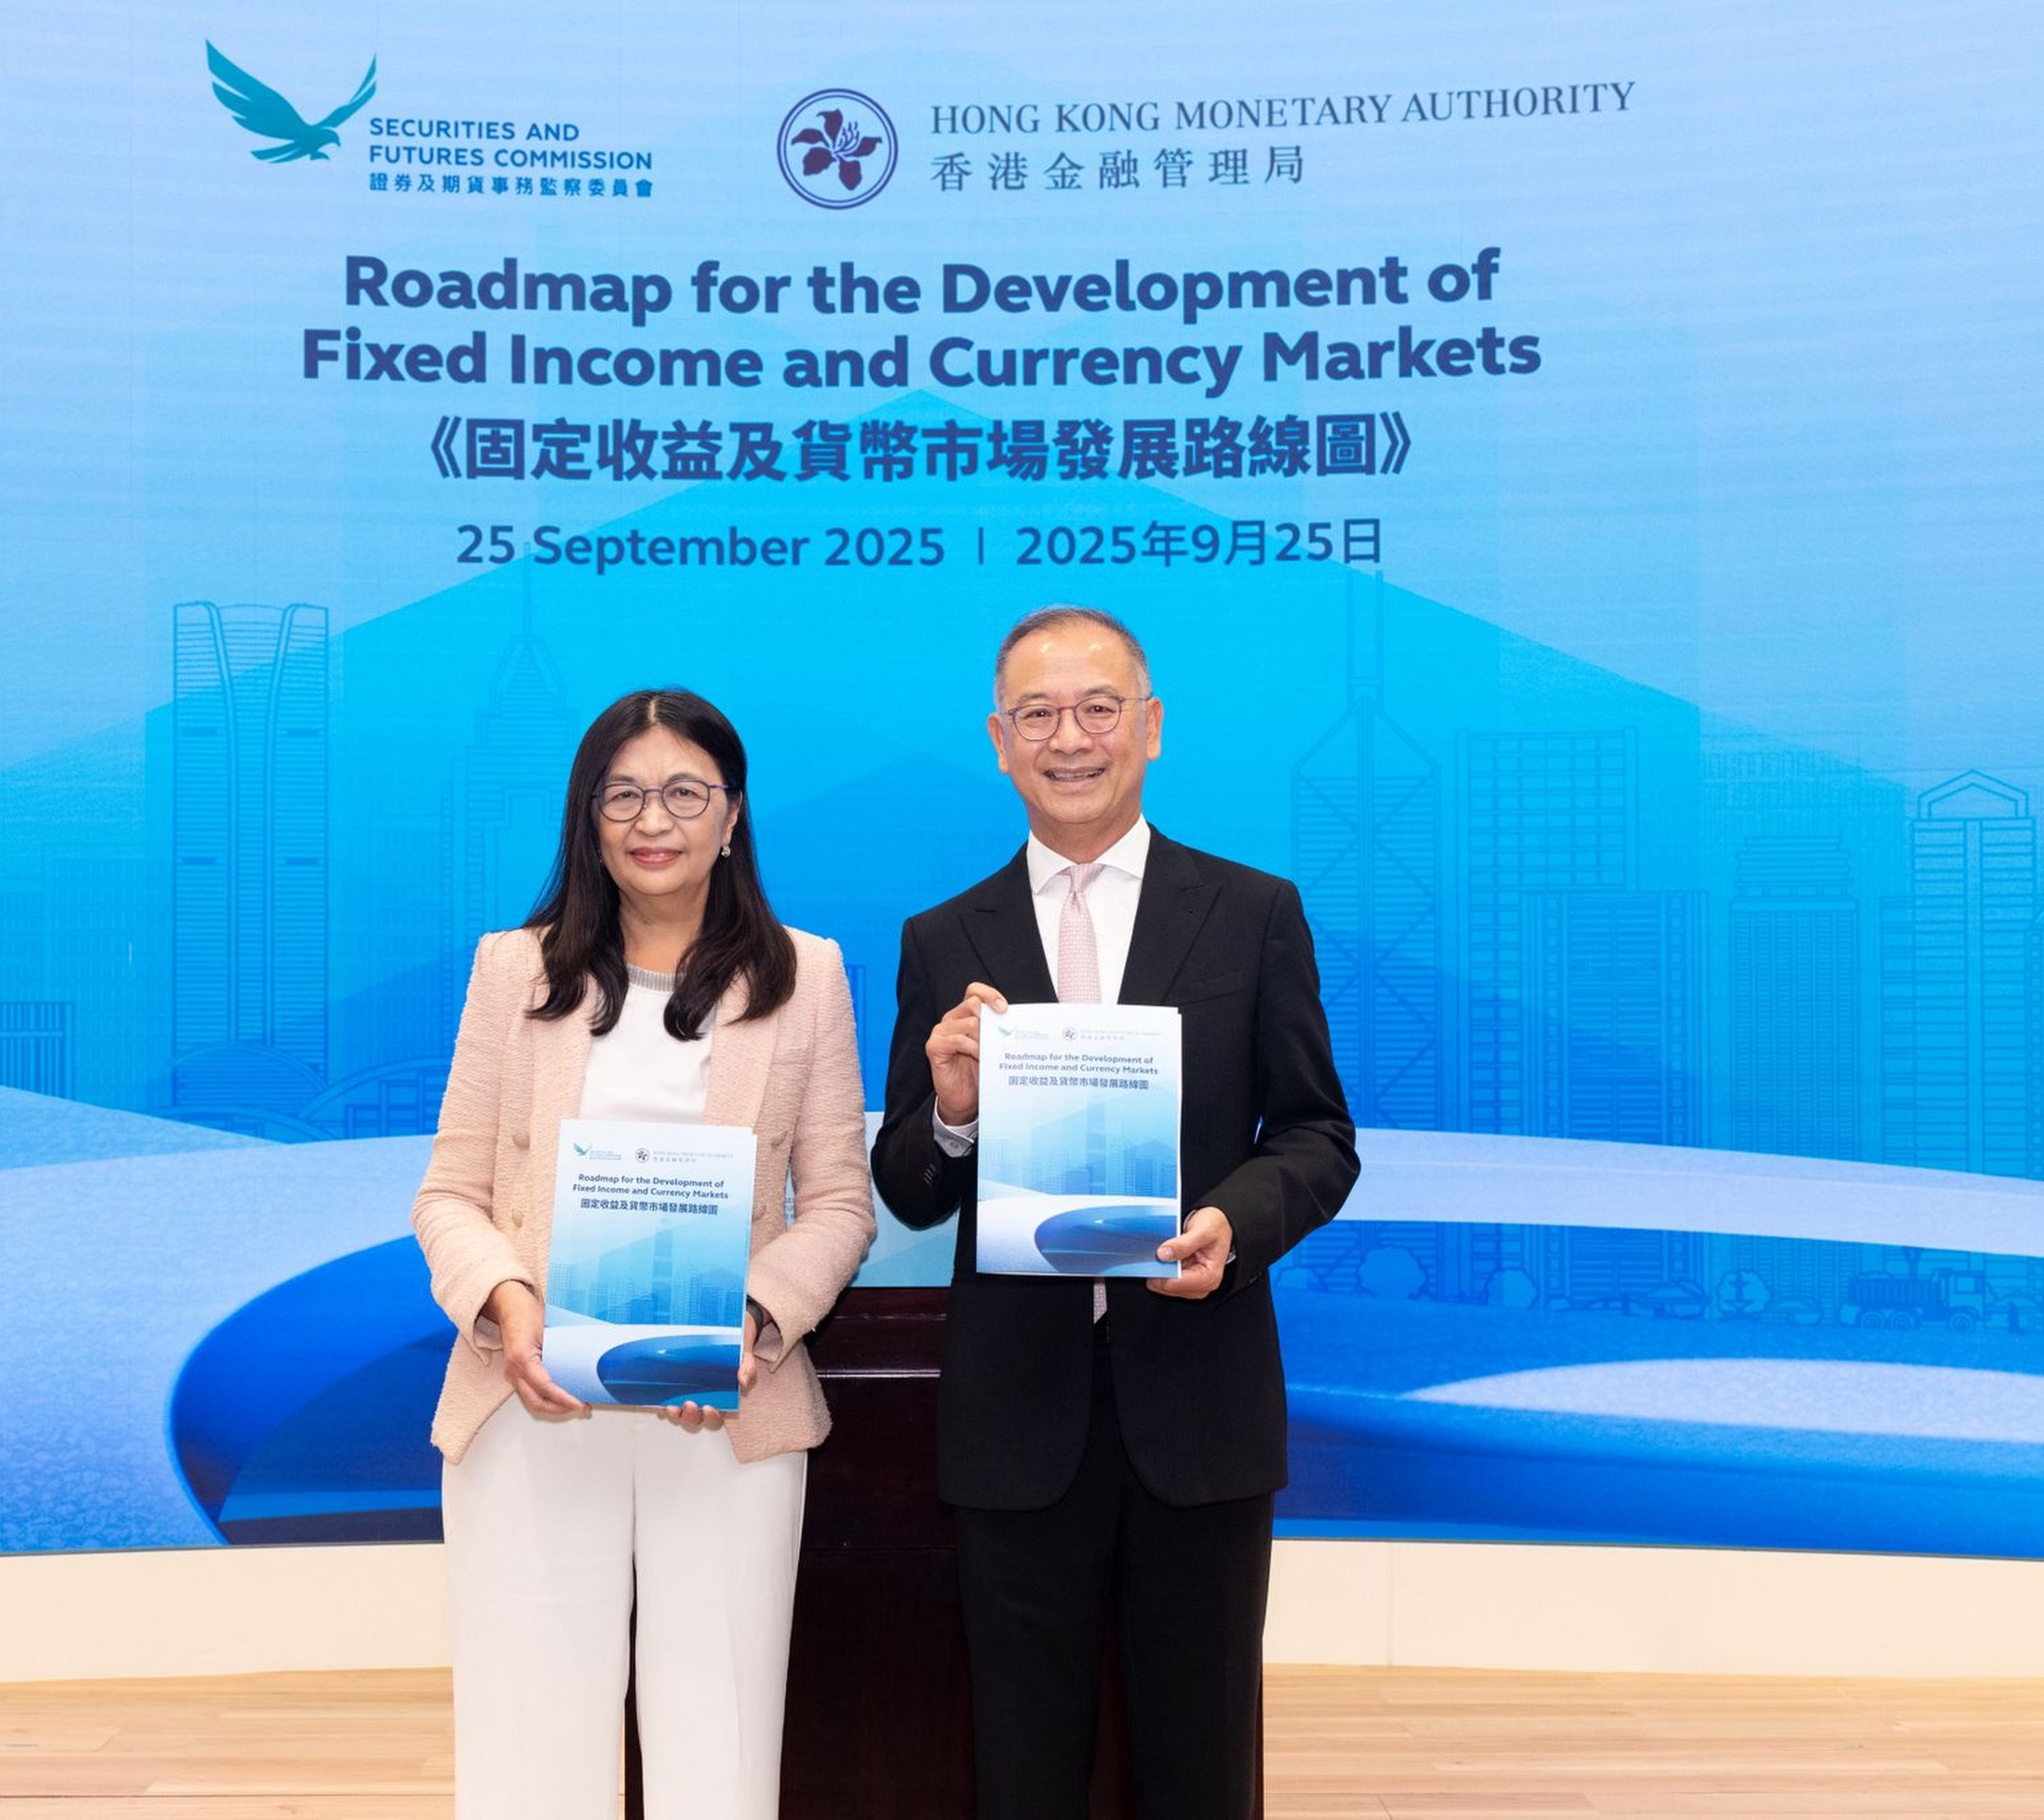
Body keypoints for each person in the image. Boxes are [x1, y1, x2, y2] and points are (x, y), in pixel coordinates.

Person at [870, 606, 1359, 1820]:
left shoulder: (1251, 912)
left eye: (1098, 709)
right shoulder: (943, 940)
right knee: (1023, 1764)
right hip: (1015, 1418)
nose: (1069, 738)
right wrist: (952, 1113)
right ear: (998, 741)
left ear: (1150, 728)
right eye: (1037, 714)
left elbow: (1317, 1136)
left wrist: (1232, 1227)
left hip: (1200, 1401)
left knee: (1200, 1761)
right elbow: (908, 1188)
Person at [411, 687, 876, 1820]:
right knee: (529, 1741)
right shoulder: (511, 970)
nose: (650, 820)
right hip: (534, 1402)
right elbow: (449, 1195)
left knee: (717, 1740)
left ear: (732, 815)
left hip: (724, 1409)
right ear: (588, 817)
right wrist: (509, 1302)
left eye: (682, 793)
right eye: (622, 795)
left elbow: (841, 1205)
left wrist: (752, 1323)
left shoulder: (806, 975)